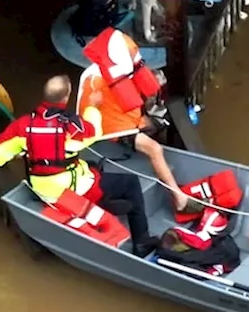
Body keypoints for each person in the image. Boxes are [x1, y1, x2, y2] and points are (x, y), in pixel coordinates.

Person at [0, 75, 158, 257]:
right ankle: (141, 241)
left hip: (43, 190)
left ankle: (103, 204)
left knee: (91, 165)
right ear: (66, 97)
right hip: (72, 190)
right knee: (130, 182)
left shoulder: (22, 126)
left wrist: (24, 151)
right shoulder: (72, 127)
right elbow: (93, 132)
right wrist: (93, 106)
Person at [75, 28, 196, 213]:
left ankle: (162, 169)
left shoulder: (116, 69)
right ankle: (178, 196)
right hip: (110, 127)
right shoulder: (94, 81)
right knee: (155, 149)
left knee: (154, 124)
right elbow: (88, 116)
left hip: (124, 117)